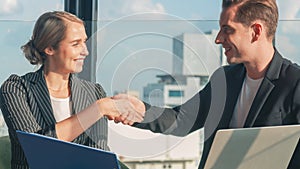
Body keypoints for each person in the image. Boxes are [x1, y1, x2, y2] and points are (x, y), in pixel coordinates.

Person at [113, 0, 300, 168]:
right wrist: (140, 110)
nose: (218, 39)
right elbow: (182, 120)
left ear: (256, 31)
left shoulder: (295, 83)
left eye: (227, 29)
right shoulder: (224, 79)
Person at [0, 11, 144, 169]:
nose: (85, 51)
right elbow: (37, 149)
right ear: (49, 48)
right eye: (76, 44)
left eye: (84, 42)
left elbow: (97, 156)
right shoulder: (16, 88)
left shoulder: (94, 92)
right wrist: (99, 108)